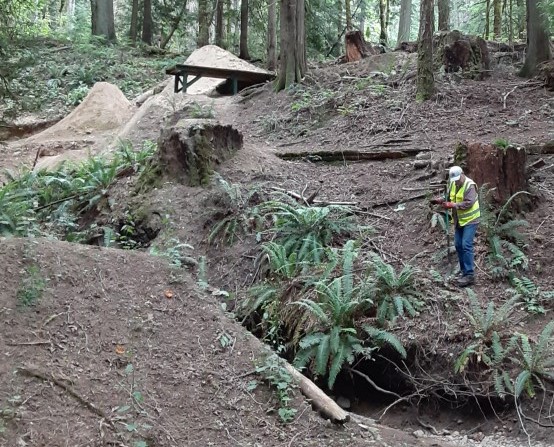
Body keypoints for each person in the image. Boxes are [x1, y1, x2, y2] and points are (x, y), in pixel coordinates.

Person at [433, 166, 480, 287]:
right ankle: (463, 271)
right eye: (455, 180)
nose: (457, 181)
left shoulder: (470, 185)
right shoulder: (453, 183)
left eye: (458, 179)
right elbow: (449, 196)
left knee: (466, 244)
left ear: (463, 174)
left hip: (471, 219)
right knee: (458, 245)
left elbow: (469, 203)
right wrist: (441, 200)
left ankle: (469, 275)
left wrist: (453, 205)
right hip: (459, 220)